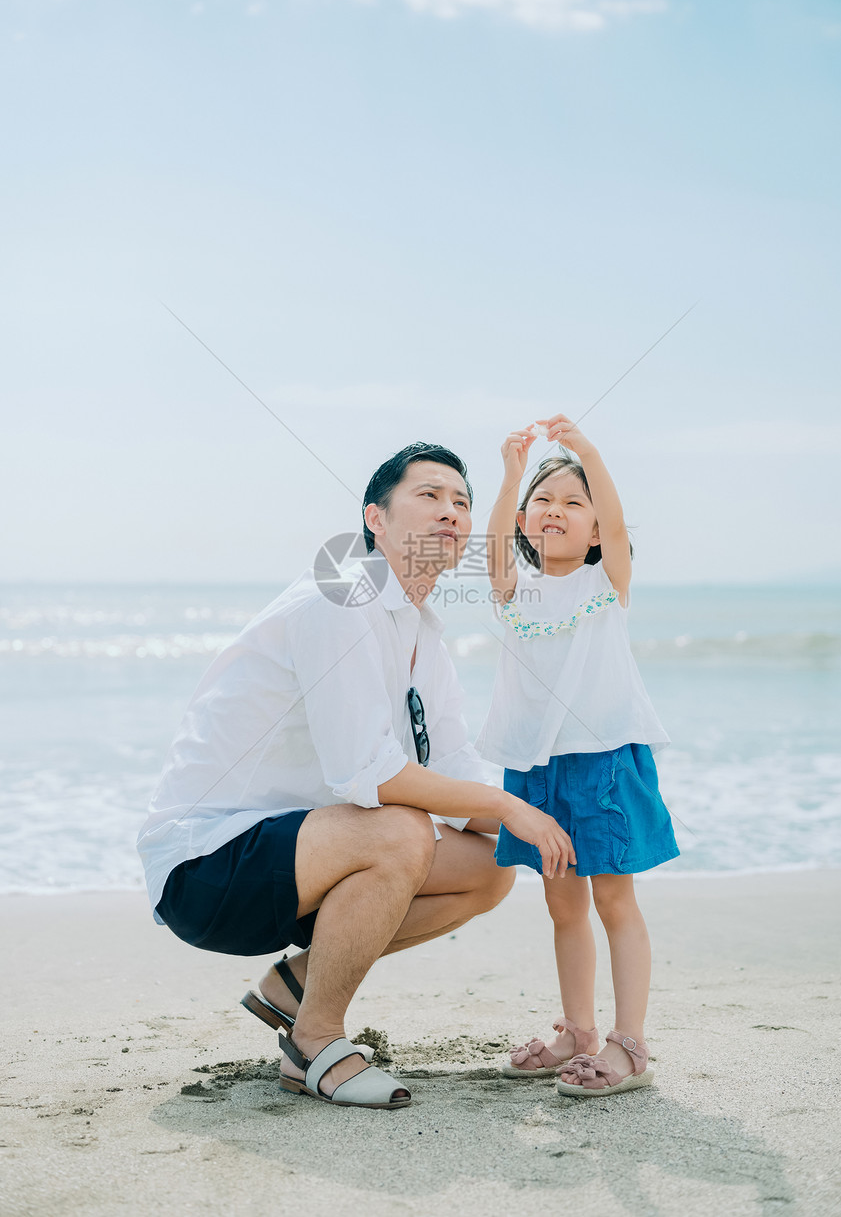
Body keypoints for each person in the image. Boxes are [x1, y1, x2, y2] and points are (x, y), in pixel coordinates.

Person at [137, 443, 575, 1111]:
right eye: (428, 495)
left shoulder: (421, 628)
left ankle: (293, 988)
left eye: (461, 501)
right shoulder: (338, 596)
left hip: (298, 859)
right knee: (400, 829)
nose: (451, 511)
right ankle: (313, 1043)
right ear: (376, 517)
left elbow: (452, 762)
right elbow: (364, 770)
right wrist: (504, 805)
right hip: (206, 863)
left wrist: (546, 831)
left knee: (491, 864)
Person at [477, 415, 679, 1097]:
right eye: (544, 500)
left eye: (573, 501)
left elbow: (618, 528)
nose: (555, 511)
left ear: (595, 528)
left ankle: (629, 1043)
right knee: (563, 905)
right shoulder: (514, 590)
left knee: (614, 899)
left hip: (605, 760)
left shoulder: (606, 584)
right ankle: (578, 1028)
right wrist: (511, 475)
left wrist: (587, 452)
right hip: (537, 768)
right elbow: (498, 546)